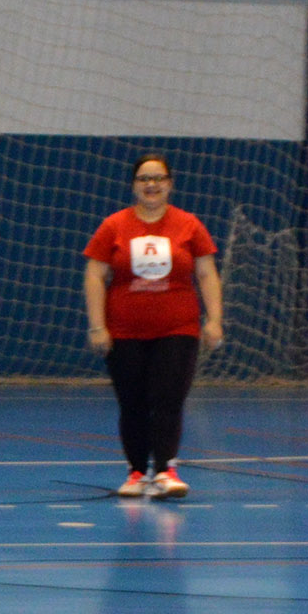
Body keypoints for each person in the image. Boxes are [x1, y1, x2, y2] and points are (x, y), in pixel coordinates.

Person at [83, 152, 224, 499]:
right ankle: (135, 473)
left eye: (158, 178)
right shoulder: (114, 225)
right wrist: (98, 326)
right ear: (134, 186)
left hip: (177, 328)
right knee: (132, 402)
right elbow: (95, 275)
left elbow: (206, 273)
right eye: (144, 179)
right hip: (125, 331)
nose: (151, 185)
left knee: (168, 399)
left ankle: (164, 470)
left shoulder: (189, 225)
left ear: (169, 184)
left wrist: (215, 320)